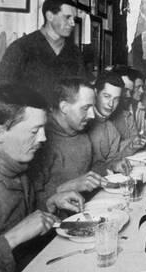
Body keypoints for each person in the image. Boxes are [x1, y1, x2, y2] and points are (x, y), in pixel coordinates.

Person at [0, 84, 83, 272]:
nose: (43, 138)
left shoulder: (18, 166)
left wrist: (50, 204)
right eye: (35, 131)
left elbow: (27, 220)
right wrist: (13, 238)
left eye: (44, 129)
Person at [0, 0, 86, 102]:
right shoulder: (21, 47)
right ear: (50, 16)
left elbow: (81, 91)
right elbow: (1, 90)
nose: (72, 23)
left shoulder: (74, 52)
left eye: (74, 19)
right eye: (67, 17)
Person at [29, 78, 102, 210]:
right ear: (64, 107)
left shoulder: (81, 131)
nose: (92, 115)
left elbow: (90, 175)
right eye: (86, 108)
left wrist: (112, 164)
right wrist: (67, 188)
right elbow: (30, 205)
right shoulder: (38, 141)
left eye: (93, 107)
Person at [89, 71, 146, 175]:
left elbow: (112, 161)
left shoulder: (111, 129)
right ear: (96, 92)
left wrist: (131, 147)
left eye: (116, 99)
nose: (111, 104)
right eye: (106, 96)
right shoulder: (83, 122)